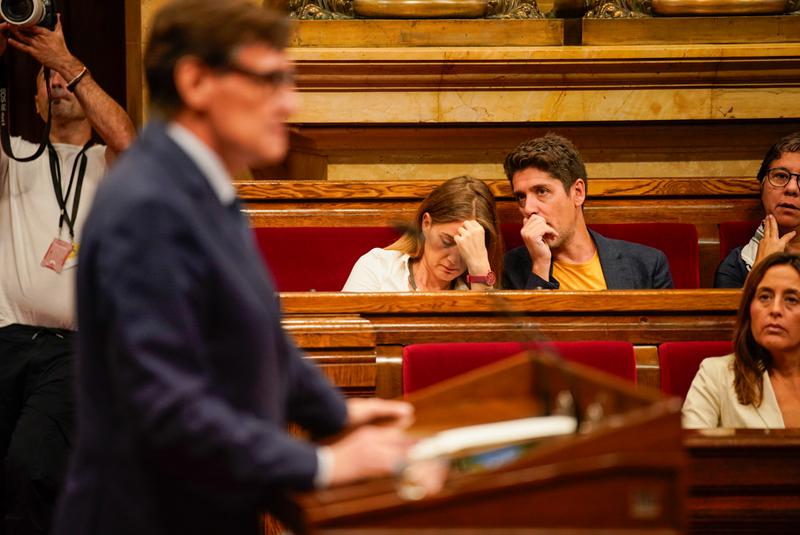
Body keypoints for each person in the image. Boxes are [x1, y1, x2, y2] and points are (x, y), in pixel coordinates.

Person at [52, 2, 414, 534]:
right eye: (270, 79)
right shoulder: (149, 204)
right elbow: (165, 407)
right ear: (196, 81)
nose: (290, 101)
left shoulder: (203, 187)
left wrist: (336, 416)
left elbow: (256, 334)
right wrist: (323, 464)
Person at [0, 15, 135, 535]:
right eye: (46, 80)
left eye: (65, 80)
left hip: (74, 350)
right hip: (7, 339)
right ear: (34, 101)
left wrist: (65, 62)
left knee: (31, 465)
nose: (56, 84)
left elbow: (127, 135)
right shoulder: (14, 157)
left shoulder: (111, 162)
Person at [501, 133, 673, 290]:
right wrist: (540, 264)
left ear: (578, 192)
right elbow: (529, 324)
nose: (528, 208)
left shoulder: (647, 264)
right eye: (521, 197)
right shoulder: (511, 267)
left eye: (542, 191)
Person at [684, 252, 800, 428]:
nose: (775, 309)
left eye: (791, 299)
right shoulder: (716, 375)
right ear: (749, 307)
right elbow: (688, 451)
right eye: (765, 297)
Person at [342, 175, 503, 292]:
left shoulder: (474, 289)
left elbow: (486, 337)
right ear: (426, 224)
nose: (453, 260)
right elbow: (347, 336)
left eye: (465, 248)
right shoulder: (378, 266)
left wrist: (480, 270)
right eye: (446, 241)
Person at [715, 132, 800, 288]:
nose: (792, 188)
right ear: (761, 185)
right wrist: (762, 267)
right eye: (781, 176)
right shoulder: (735, 266)